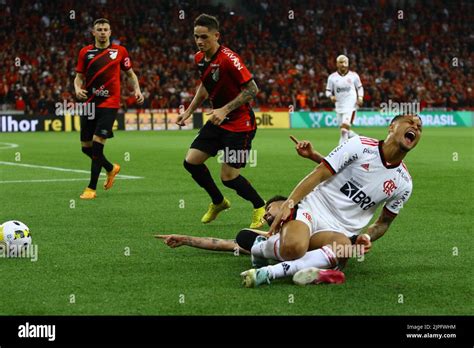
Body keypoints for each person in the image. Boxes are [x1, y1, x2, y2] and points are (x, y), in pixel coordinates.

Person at [241, 114, 422, 287]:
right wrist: (289, 204)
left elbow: (384, 223)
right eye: (409, 122)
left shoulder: (404, 183)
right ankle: (265, 249)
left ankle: (272, 271)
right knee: (294, 248)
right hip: (313, 208)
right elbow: (319, 174)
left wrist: (366, 236)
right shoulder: (359, 145)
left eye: (419, 127)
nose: (415, 127)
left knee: (343, 247)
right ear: (391, 127)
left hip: (341, 231)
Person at [177, 14, 265, 228]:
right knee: (191, 162)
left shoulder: (229, 59)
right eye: (196, 37)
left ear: (216, 35)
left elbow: (253, 89)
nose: (199, 41)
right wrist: (189, 111)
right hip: (218, 121)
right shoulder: (199, 58)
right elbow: (206, 86)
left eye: (204, 37)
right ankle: (218, 201)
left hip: (239, 125)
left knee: (229, 177)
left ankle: (259, 205)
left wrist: (225, 109)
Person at [74, 18, 144, 199]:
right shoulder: (85, 52)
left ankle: (91, 188)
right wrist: (77, 88)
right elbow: (79, 77)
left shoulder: (120, 51)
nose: (103, 32)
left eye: (106, 29)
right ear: (94, 32)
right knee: (85, 147)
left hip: (109, 104)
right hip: (89, 104)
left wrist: (137, 89)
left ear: (110, 32)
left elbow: (130, 74)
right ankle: (111, 168)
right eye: (99, 29)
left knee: (97, 146)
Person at [326, 55, 364, 145]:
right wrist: (331, 97)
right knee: (345, 130)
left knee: (343, 131)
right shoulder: (332, 77)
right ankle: (359, 138)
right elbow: (327, 91)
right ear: (337, 64)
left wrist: (360, 97)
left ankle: (341, 152)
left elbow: (360, 87)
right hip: (339, 106)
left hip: (351, 106)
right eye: (341, 62)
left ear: (348, 64)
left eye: (345, 62)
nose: (343, 65)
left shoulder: (354, 76)